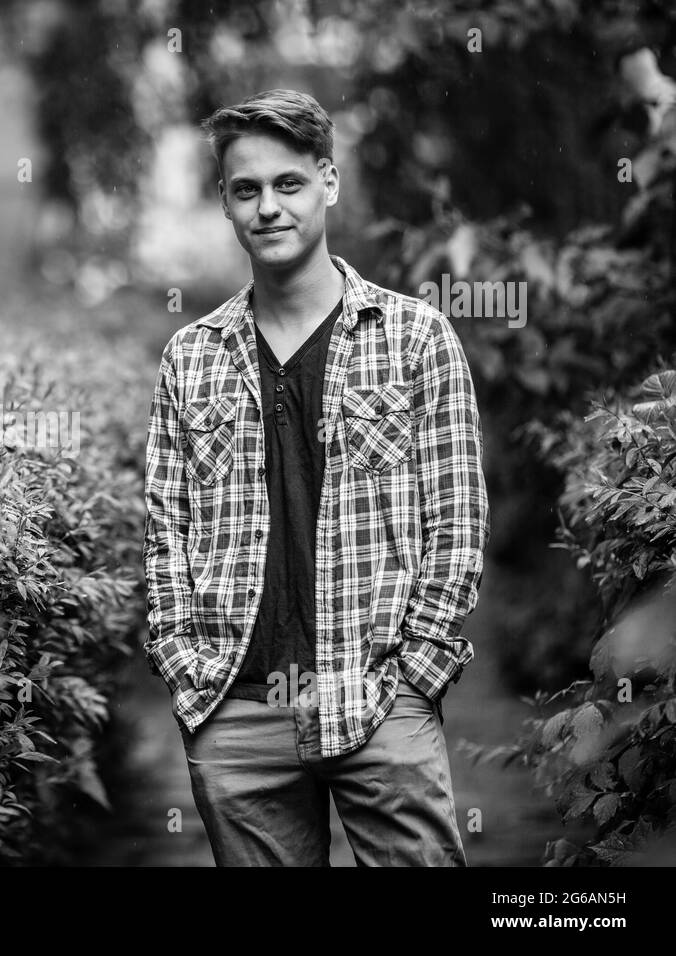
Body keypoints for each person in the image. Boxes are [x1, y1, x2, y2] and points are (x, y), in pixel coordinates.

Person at [142, 89, 490, 866]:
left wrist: (418, 674)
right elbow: (166, 535)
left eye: (289, 184)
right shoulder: (191, 357)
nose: (268, 207)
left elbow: (458, 524)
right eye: (246, 189)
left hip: (379, 696)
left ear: (328, 181)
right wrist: (185, 670)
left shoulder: (414, 338)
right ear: (226, 203)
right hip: (237, 706)